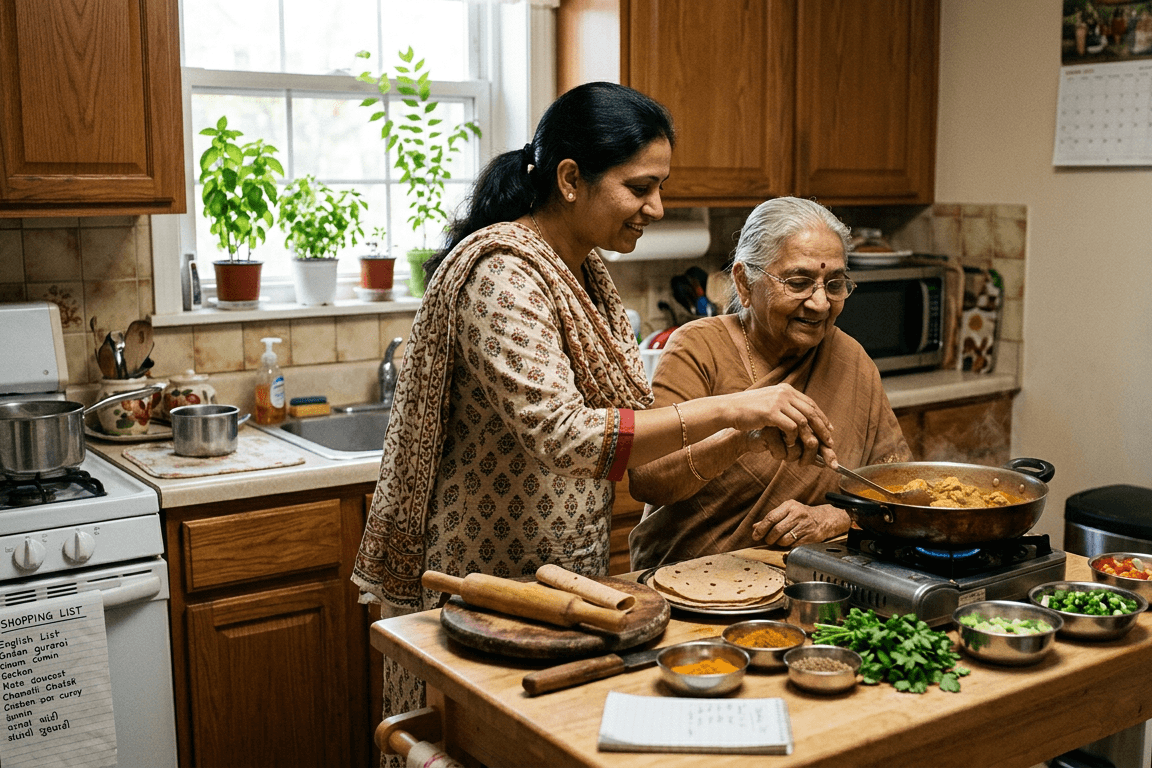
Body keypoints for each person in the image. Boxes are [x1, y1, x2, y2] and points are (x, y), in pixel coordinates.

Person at [351, 83, 838, 722]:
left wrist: (745, 434)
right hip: (480, 583)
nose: (657, 207)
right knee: (472, 739)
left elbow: (632, 441)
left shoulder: (586, 273)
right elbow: (570, 437)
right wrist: (736, 407)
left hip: (561, 575)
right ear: (571, 178)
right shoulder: (503, 273)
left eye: (660, 186)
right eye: (640, 188)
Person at [627, 197, 912, 570]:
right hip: (687, 584)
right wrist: (742, 438)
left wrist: (833, 517)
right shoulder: (698, 346)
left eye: (835, 284)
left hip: (806, 584)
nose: (820, 303)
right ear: (744, 282)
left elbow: (897, 489)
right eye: (799, 282)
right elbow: (648, 480)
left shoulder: (850, 358)